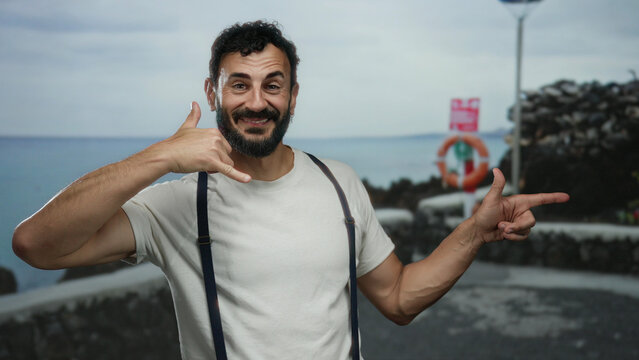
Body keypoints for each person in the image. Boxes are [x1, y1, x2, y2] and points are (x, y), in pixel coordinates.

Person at [12, 20, 569, 359]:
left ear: (293, 96)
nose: (257, 102)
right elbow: (37, 245)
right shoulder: (178, 202)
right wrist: (159, 158)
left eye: (272, 84)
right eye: (240, 84)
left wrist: (474, 232)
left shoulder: (339, 183)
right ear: (213, 92)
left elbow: (399, 299)